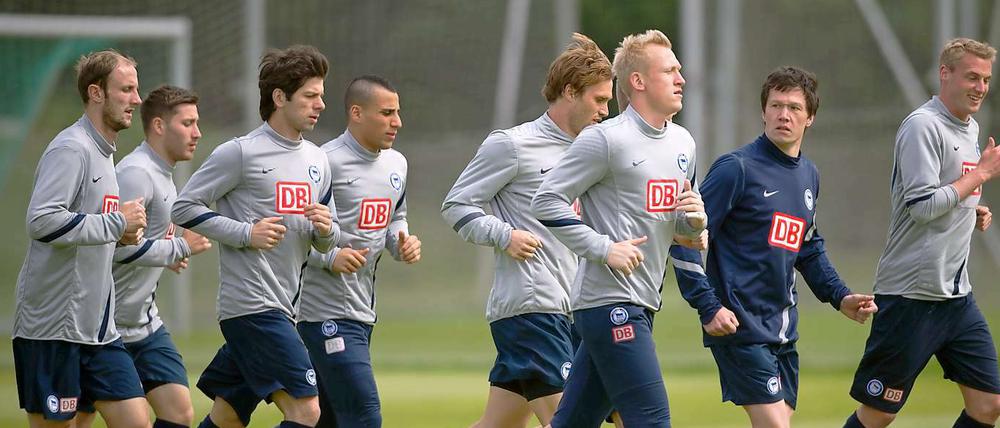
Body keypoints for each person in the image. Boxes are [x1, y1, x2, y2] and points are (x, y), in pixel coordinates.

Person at [675, 66, 876, 428]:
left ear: (810, 117)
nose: (784, 114)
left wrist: (841, 297)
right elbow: (685, 238)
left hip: (783, 330)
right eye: (776, 105)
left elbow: (807, 249)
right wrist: (708, 307)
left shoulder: (808, 175)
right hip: (739, 326)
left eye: (795, 108)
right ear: (763, 111)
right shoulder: (735, 169)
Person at [531, 29, 707, 428]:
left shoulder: (683, 143)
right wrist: (604, 248)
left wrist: (696, 222)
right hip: (609, 302)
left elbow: (682, 227)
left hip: (643, 302)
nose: (681, 79)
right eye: (670, 71)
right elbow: (545, 200)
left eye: (679, 70)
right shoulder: (606, 139)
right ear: (638, 82)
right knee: (651, 419)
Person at [442, 33, 613, 428]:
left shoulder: (593, 151)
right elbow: (456, 204)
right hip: (532, 308)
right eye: (599, 100)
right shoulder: (513, 145)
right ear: (570, 91)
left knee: (499, 424)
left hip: (574, 308)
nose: (606, 110)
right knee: (572, 419)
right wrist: (505, 235)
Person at [172, 45, 339, 428]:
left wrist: (327, 230)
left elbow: (327, 240)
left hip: (285, 308)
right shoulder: (241, 153)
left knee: (228, 415)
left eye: (321, 96)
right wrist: (246, 233)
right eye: (311, 96)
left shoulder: (317, 160)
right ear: (280, 98)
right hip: (252, 307)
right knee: (307, 410)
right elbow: (183, 208)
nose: (321, 105)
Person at [843, 38, 1000, 428]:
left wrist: (972, 209)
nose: (980, 87)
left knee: (989, 404)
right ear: (945, 74)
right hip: (909, 297)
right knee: (878, 414)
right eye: (972, 77)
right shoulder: (921, 126)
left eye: (986, 79)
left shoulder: (970, 127)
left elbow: (950, 192)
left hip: (955, 298)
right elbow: (923, 206)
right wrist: (979, 176)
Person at [12, 49, 150, 428]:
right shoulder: (71, 148)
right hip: (53, 329)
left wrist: (119, 235)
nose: (136, 100)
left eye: (136, 90)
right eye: (126, 89)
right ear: (96, 92)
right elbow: (41, 221)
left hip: (98, 331)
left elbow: (87, 226)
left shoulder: (105, 153)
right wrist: (114, 225)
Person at [297, 75, 421, 428]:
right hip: (321, 312)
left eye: (397, 112)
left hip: (363, 311)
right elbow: (293, 235)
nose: (397, 122)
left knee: (325, 420)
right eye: (386, 113)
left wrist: (402, 241)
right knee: (364, 416)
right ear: (356, 113)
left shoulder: (397, 163)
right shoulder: (323, 162)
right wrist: (329, 256)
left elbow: (397, 216)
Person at [108, 84, 213, 428]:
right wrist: (180, 247)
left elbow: (143, 243)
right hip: (105, 328)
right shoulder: (136, 173)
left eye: (197, 123)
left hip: (144, 324)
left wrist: (166, 255)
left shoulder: (164, 175)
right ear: (158, 126)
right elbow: (112, 249)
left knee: (178, 412)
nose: (197, 133)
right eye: (187, 124)